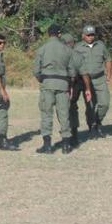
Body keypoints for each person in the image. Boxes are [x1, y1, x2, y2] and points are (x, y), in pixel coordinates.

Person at [33, 24, 77, 154]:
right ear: (59, 34)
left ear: (48, 34)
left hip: (47, 84)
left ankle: (47, 145)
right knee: (64, 115)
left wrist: (43, 80)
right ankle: (65, 145)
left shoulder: (42, 49)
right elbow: (73, 72)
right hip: (63, 85)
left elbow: (36, 70)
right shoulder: (67, 50)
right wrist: (70, 84)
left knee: (46, 114)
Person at [73, 25, 112, 138]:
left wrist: (109, 74)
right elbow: (74, 64)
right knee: (90, 106)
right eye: (88, 35)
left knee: (105, 103)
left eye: (92, 35)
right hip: (86, 81)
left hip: (100, 79)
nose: (91, 37)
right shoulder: (77, 47)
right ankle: (92, 127)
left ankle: (98, 121)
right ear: (83, 35)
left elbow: (108, 59)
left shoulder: (100, 45)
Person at [62, 33, 93, 148]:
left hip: (65, 84)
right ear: (72, 43)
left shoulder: (59, 54)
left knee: (65, 109)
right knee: (72, 108)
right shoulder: (77, 55)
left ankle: (68, 134)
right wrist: (88, 89)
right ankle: (74, 135)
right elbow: (85, 74)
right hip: (76, 83)